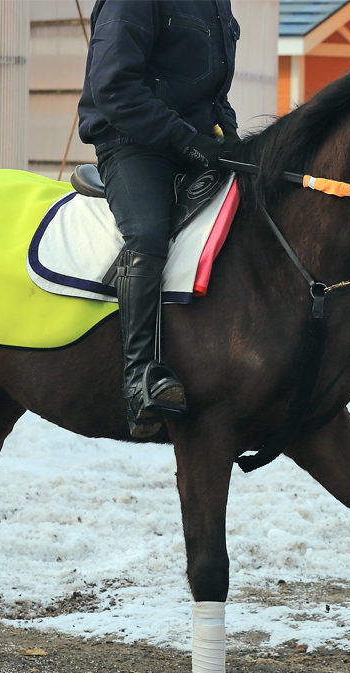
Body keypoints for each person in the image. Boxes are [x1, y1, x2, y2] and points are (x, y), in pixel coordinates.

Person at [77, 0, 240, 439]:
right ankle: (139, 379)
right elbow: (114, 88)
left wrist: (233, 140)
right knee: (148, 234)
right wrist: (187, 141)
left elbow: (214, 95)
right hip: (132, 142)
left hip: (196, 143)